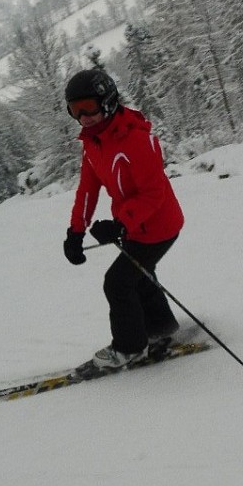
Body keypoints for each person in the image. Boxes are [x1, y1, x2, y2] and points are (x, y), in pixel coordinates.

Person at [63, 68, 184, 370]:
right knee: (138, 277)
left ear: (108, 102)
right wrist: (75, 232)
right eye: (75, 110)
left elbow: (153, 192)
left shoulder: (135, 140)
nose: (83, 117)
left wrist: (121, 223)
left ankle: (129, 348)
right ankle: (160, 330)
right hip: (135, 227)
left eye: (88, 107)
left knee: (117, 283)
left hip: (158, 225)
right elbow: (88, 190)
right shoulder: (94, 142)